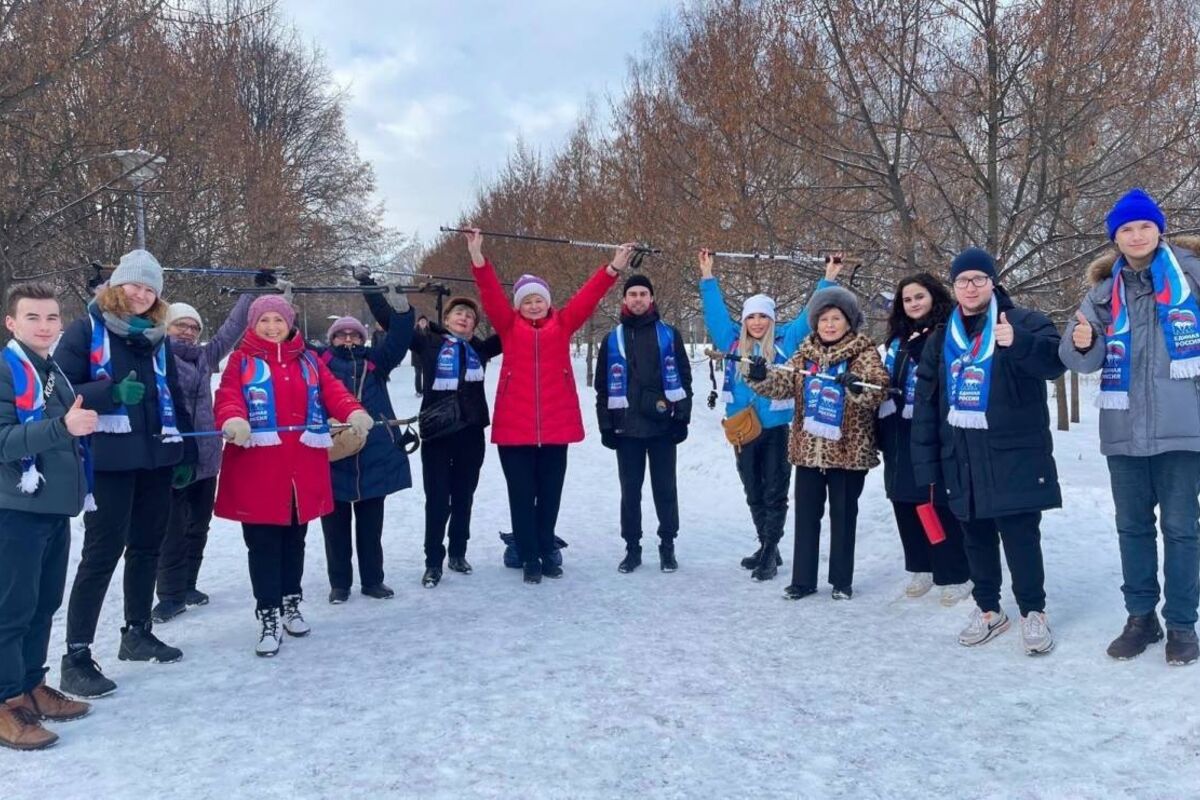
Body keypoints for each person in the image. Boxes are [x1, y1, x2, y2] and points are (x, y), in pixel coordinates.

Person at [1060, 188, 1200, 666]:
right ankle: (1141, 618)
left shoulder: (1192, 278)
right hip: (1123, 431)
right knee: (1132, 528)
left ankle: (1182, 622)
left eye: (1144, 226)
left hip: (1183, 427)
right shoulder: (1102, 293)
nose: (1136, 235)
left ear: (1158, 229)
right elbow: (1080, 359)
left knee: (1182, 529)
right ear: (1115, 239)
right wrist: (1081, 342)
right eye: (1126, 229)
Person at [55, 249, 195, 697]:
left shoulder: (157, 337)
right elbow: (57, 393)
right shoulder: (85, 330)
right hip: (108, 461)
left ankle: (137, 632)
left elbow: (172, 392)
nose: (141, 293)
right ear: (117, 285)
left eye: (150, 288)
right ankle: (76, 655)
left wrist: (185, 449)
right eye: (134, 285)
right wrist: (110, 392)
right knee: (101, 554)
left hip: (155, 458)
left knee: (147, 547)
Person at [911, 247, 1065, 656]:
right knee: (974, 537)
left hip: (1013, 454)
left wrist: (1020, 343)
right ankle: (988, 610)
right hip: (959, 456)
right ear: (954, 287)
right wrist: (926, 465)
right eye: (963, 281)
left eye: (979, 279)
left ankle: (1034, 612)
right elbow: (926, 404)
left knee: (1020, 537)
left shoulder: (1023, 321)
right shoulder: (943, 337)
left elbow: (1055, 362)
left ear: (993, 282)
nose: (971, 287)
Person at [467, 228, 630, 584]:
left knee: (550, 495)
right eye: (527, 301)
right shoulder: (508, 327)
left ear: (548, 301)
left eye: (538, 299)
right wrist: (478, 258)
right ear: (518, 307)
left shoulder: (564, 323)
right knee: (522, 496)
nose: (534, 305)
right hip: (515, 430)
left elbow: (589, 297)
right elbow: (491, 294)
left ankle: (545, 548)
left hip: (556, 428)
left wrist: (613, 268)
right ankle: (528, 557)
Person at [213, 294, 371, 656]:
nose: (272, 327)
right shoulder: (241, 360)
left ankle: (290, 602)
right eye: (264, 320)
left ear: (289, 324)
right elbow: (227, 397)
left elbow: (333, 392)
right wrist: (233, 419)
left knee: (294, 541)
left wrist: (354, 411)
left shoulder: (309, 361)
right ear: (253, 324)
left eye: (278, 320)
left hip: (301, 469)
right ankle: (267, 613)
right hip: (259, 469)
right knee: (263, 544)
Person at [699, 249, 842, 580]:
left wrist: (828, 279)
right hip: (743, 429)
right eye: (752, 317)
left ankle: (768, 551)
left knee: (775, 491)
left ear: (772, 319)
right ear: (745, 321)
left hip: (776, 428)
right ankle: (769, 546)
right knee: (753, 490)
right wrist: (708, 277)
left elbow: (810, 314)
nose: (758, 322)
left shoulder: (786, 341)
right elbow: (715, 316)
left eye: (763, 316)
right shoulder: (732, 344)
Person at [746, 286, 889, 600]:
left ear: (849, 321)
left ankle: (841, 581)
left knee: (842, 515)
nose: (829, 324)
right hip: (809, 449)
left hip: (847, 451)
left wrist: (856, 386)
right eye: (823, 318)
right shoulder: (805, 351)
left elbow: (878, 389)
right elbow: (784, 385)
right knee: (806, 516)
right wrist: (759, 377)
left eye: (836, 318)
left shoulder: (863, 352)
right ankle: (803, 580)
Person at [0, 282, 95, 750]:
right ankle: (6, 701)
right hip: (14, 510)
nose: (45, 326)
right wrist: (63, 427)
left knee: (42, 605)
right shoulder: (5, 369)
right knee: (10, 610)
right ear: (11, 322)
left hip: (52, 507)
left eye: (52, 318)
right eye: (33, 318)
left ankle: (32, 685)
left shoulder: (49, 366)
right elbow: (3, 442)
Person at [151, 289, 254, 623]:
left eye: (193, 327)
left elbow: (230, 330)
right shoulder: (157, 355)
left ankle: (189, 585)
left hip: (208, 458)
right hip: (175, 457)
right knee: (172, 530)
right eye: (180, 325)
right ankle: (169, 594)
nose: (188, 332)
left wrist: (252, 293)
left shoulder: (204, 358)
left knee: (198, 526)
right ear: (165, 328)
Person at [317, 276, 414, 603]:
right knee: (335, 529)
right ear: (332, 338)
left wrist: (378, 293)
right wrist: (279, 296)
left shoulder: (376, 361)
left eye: (354, 333)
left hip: (374, 453)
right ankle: (339, 584)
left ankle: (373, 580)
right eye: (342, 334)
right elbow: (285, 338)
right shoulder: (320, 362)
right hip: (332, 452)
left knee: (371, 527)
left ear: (363, 337)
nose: (348, 338)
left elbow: (401, 336)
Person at [877, 274, 972, 605]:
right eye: (907, 299)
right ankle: (922, 566)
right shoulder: (897, 339)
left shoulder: (948, 332)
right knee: (903, 499)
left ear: (933, 297)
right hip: (897, 428)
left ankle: (955, 571)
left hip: (932, 427)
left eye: (919, 297)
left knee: (934, 500)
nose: (914, 304)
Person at [595, 273, 692, 573]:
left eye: (643, 294)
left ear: (651, 299)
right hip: (627, 430)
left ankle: (667, 544)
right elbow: (601, 387)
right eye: (632, 294)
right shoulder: (613, 339)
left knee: (665, 489)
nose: (638, 299)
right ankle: (632, 547)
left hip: (662, 426)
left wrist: (682, 418)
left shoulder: (669, 334)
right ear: (624, 300)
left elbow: (685, 379)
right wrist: (606, 426)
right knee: (630, 491)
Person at [407, 295, 502, 587]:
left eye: (470, 315)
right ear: (447, 320)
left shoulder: (480, 349)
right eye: (458, 313)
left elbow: (512, 327)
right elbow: (393, 324)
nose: (464, 317)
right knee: (437, 500)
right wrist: (382, 293)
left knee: (463, 497)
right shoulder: (429, 343)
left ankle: (458, 552)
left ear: (475, 324)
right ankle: (433, 561)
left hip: (471, 434)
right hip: (438, 435)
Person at [412, 316, 429, 395]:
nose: (423, 323)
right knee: (418, 374)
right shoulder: (414, 332)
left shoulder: (429, 332)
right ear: (418, 322)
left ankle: (426, 389)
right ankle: (418, 390)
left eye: (424, 321)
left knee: (426, 375)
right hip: (416, 357)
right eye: (421, 321)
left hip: (426, 356)